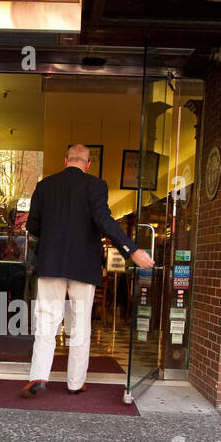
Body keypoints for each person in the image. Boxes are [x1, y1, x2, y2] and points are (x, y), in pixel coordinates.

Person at [21, 143, 154, 396]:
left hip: (51, 263)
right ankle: (74, 383)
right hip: (83, 264)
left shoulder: (44, 186)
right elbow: (103, 220)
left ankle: (38, 376)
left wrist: (52, 239)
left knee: (47, 321)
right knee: (80, 323)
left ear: (65, 160)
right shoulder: (95, 185)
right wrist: (132, 250)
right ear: (88, 164)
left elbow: (33, 225)